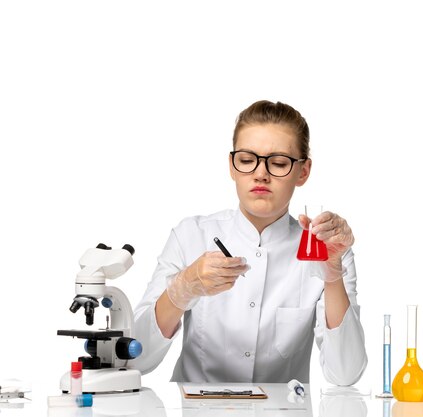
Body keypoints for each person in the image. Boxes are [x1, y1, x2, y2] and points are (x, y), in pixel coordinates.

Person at [132, 100, 367, 384]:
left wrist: (331, 276)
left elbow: (346, 374)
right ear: (232, 166)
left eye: (279, 163)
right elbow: (137, 359)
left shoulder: (326, 249)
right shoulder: (191, 235)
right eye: (246, 160)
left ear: (303, 172)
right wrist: (180, 290)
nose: (260, 173)